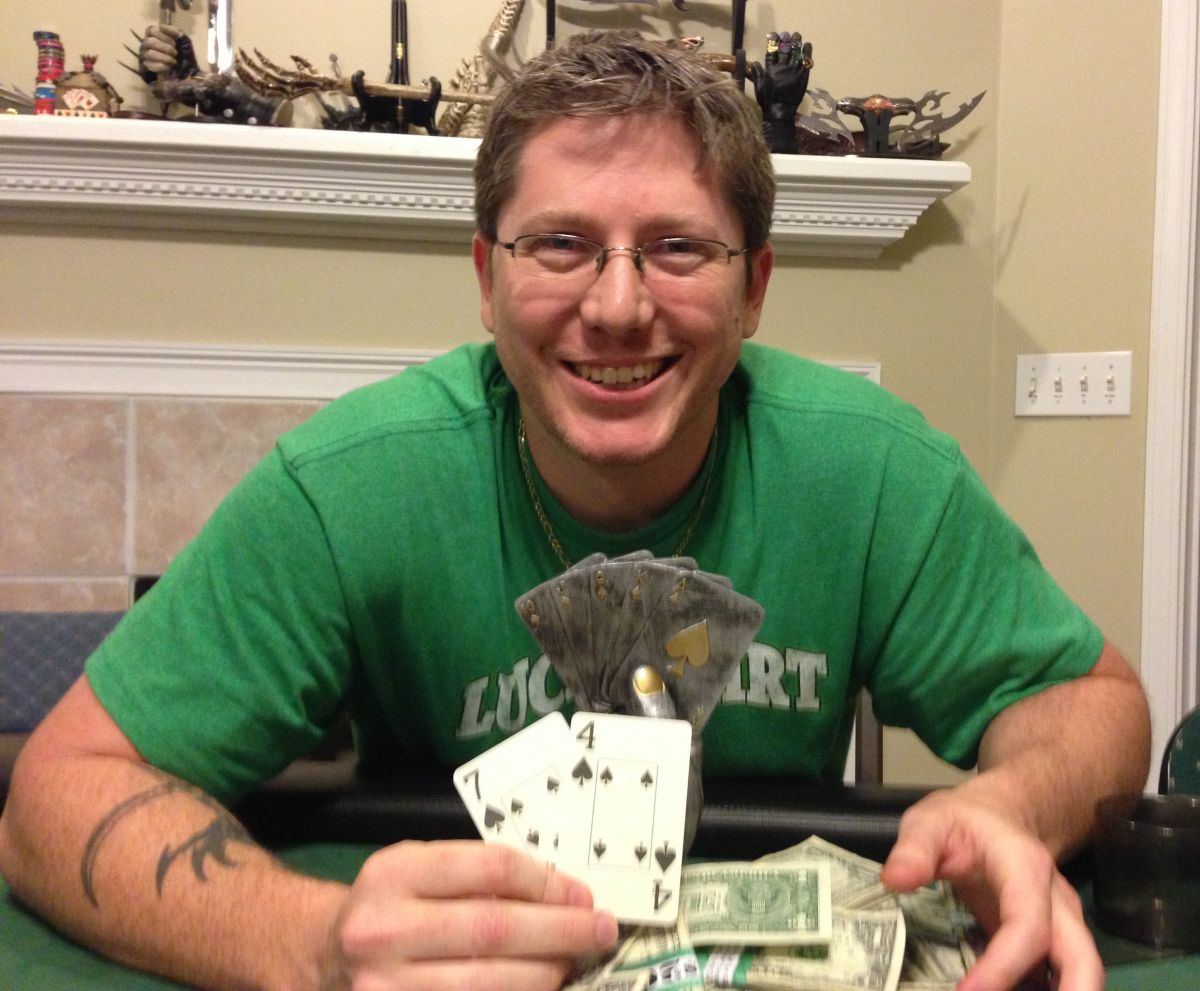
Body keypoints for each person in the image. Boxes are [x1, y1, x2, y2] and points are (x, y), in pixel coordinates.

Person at [0, 30, 1149, 991]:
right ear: (486, 277)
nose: (617, 306)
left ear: (754, 288)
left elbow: (1086, 698)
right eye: (560, 244)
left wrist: (1014, 802)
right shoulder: (351, 486)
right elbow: (57, 791)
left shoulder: (872, 470)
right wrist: (313, 940)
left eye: (678, 248)